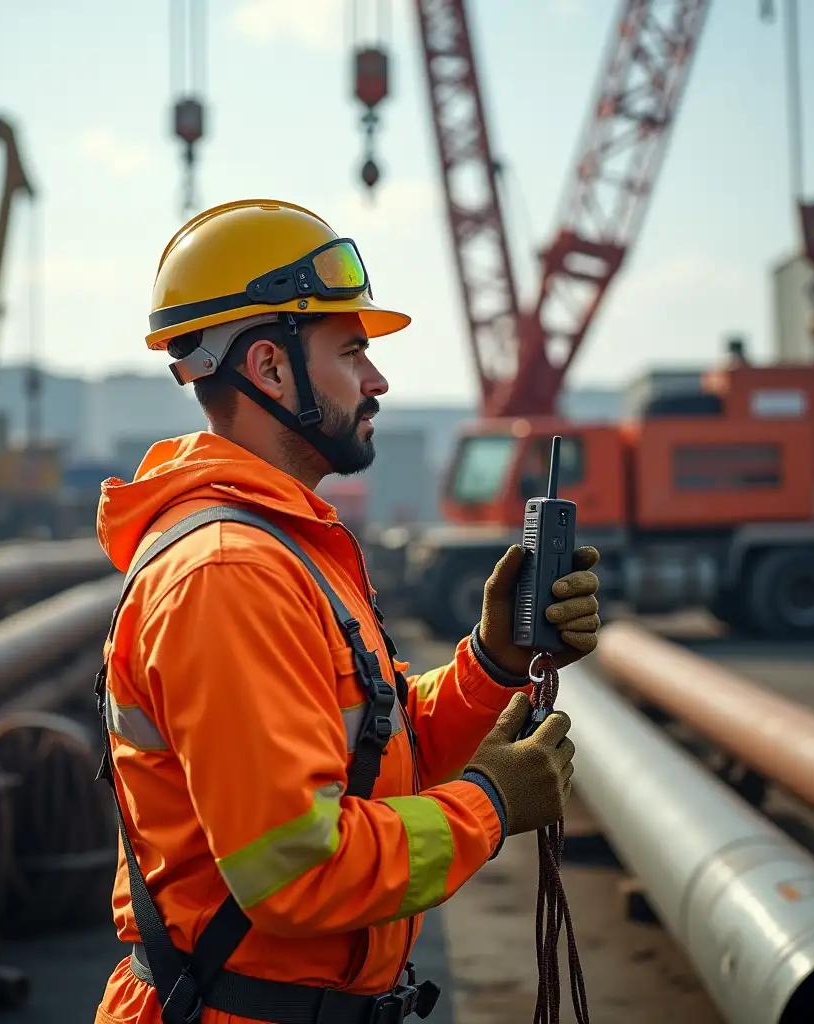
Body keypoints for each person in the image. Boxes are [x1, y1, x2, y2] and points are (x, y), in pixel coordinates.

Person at [93, 199, 602, 1024]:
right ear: (269, 367)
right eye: (353, 350)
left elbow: (376, 755)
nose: (378, 380)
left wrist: (492, 661)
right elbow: (298, 870)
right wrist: (491, 804)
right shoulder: (230, 575)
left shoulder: (281, 548)